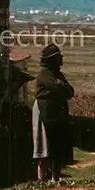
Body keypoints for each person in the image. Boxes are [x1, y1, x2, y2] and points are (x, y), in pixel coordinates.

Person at [32, 43, 74, 182]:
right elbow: (58, 88)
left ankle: (55, 178)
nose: (61, 60)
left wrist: (60, 86)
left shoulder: (57, 75)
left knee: (56, 146)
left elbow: (69, 91)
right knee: (43, 147)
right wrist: (60, 86)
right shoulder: (44, 74)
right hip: (44, 114)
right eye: (58, 57)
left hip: (55, 114)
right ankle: (41, 179)